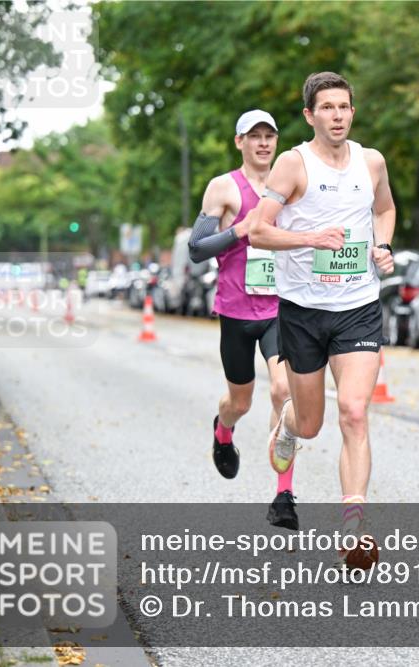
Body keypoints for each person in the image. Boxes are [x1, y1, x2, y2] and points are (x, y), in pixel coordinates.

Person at [247, 72, 395, 543]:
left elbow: (385, 209)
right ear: (310, 115)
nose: (337, 115)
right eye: (327, 108)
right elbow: (258, 232)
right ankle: (287, 428)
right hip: (303, 310)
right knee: (310, 425)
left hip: (358, 305)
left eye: (344, 106)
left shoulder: (371, 163)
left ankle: (354, 532)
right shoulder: (292, 165)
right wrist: (311, 238)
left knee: (353, 411)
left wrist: (382, 245)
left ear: (353, 111)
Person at [188, 109, 296, 528]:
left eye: (270, 135)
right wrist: (240, 230)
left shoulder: (289, 185)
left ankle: (284, 495)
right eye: (255, 136)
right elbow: (197, 249)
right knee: (241, 401)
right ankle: (223, 430)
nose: (264, 143)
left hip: (280, 310)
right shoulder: (223, 188)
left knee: (284, 389)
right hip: (235, 311)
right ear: (240, 142)